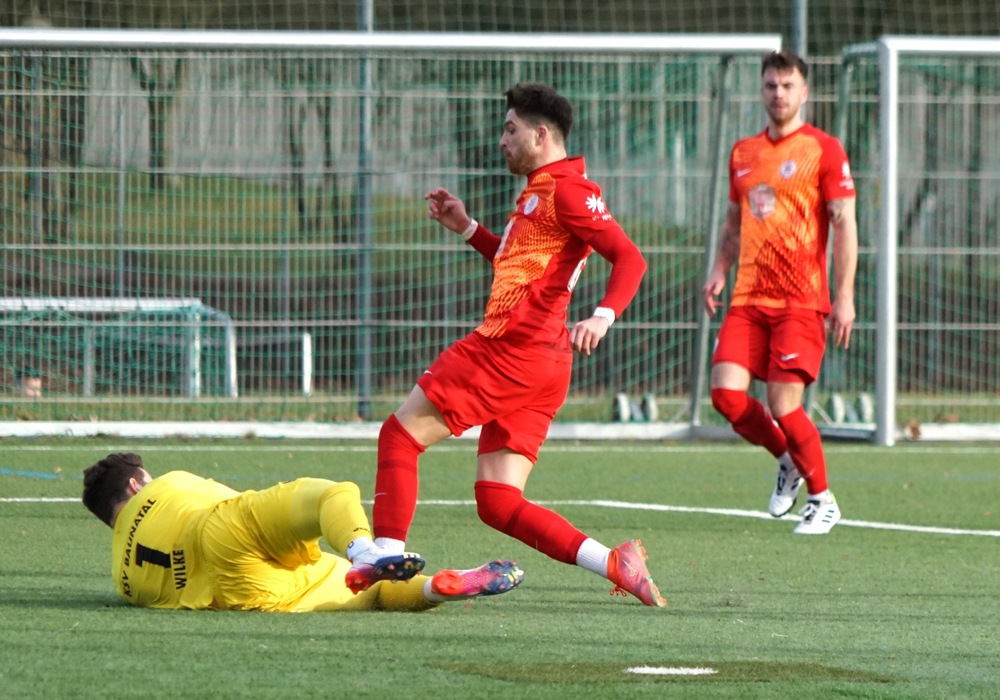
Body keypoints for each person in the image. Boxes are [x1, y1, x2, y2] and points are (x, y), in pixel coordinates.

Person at [350, 83, 665, 607]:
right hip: (543, 362)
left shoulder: (568, 190)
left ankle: (385, 558)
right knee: (497, 500)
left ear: (541, 135)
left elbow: (630, 258)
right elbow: (518, 266)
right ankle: (613, 562)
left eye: (510, 129)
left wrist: (603, 315)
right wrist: (468, 228)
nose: (502, 140)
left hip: (510, 349)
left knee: (399, 436)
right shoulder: (541, 191)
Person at [702, 51, 859, 535]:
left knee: (784, 405)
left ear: (804, 92)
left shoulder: (823, 150)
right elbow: (734, 222)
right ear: (761, 90)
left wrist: (845, 295)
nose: (778, 94)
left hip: (800, 300)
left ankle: (822, 500)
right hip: (748, 297)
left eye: (788, 86)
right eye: (771, 85)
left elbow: (845, 224)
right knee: (726, 396)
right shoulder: (743, 153)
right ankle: (788, 459)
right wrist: (719, 269)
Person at [81, 452, 523, 612]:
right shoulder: (164, 485)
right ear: (136, 485)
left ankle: (434, 590)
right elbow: (233, 504)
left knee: (371, 593)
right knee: (331, 494)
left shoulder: (123, 579)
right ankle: (364, 550)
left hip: (239, 595)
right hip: (222, 532)